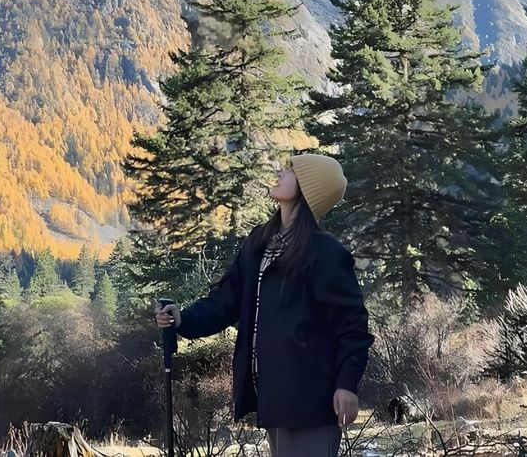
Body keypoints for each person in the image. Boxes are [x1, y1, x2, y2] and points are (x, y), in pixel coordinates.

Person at [155, 153, 375, 457]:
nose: (279, 173)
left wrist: (347, 384)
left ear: (309, 188)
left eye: (290, 171)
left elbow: (352, 327)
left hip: (312, 399)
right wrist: (185, 319)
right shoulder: (260, 244)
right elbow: (226, 300)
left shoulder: (326, 254)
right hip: (274, 397)